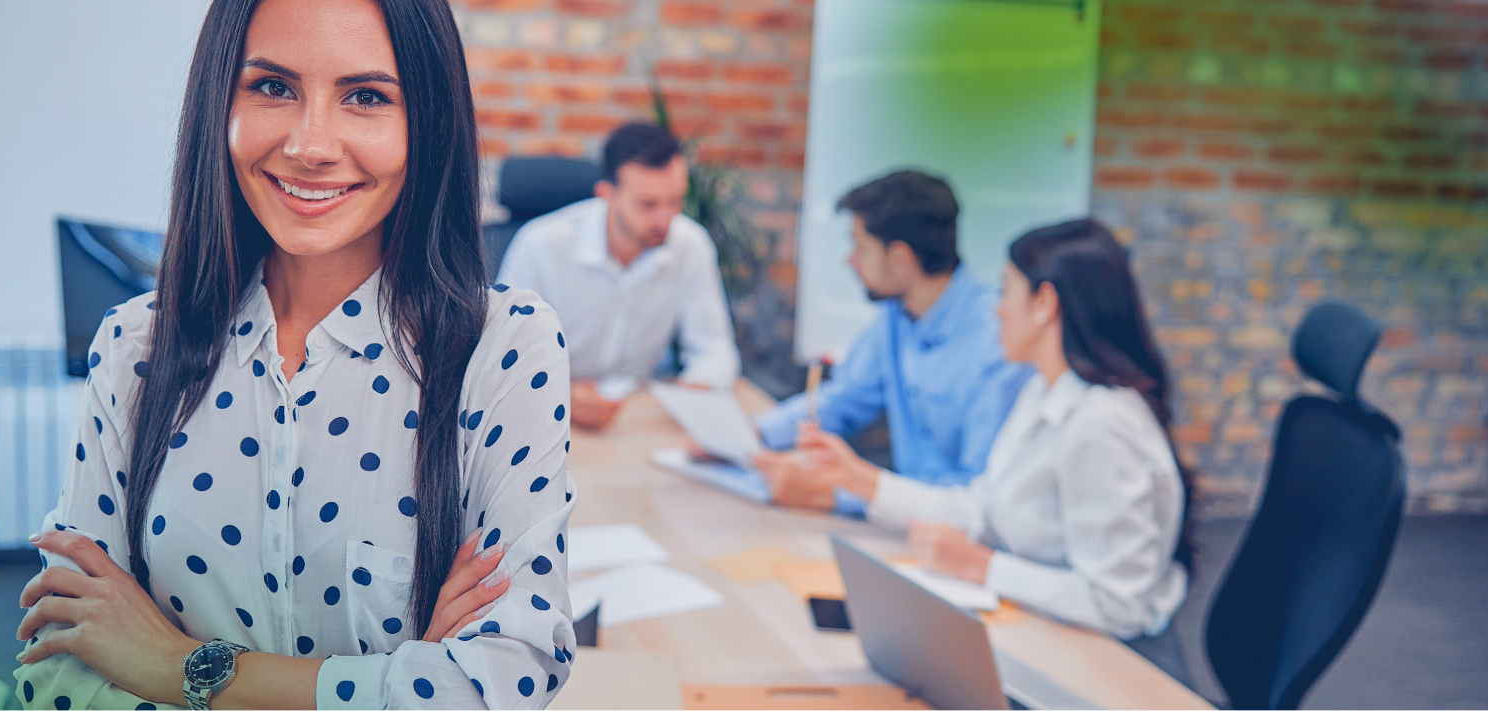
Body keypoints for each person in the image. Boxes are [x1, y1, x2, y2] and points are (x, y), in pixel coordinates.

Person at [12, 0, 576, 708]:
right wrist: (400, 677)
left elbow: (499, 680)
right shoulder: (135, 348)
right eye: (273, 87)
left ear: (427, 121)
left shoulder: (504, 347)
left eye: (367, 96)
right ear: (221, 101)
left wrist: (176, 664)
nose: (311, 145)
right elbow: (56, 672)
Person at [767, 218, 1191, 646]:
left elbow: (1118, 605)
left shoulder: (1104, 424)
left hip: (1114, 662)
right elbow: (982, 510)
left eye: (1007, 290)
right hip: (1048, 632)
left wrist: (982, 567)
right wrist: (857, 477)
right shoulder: (1043, 391)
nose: (997, 309)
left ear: (1045, 302)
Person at [749, 170, 1029, 517]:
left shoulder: (1000, 341)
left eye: (860, 247)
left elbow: (976, 496)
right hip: (901, 524)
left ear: (900, 259)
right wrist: (752, 436)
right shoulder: (896, 317)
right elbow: (845, 399)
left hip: (954, 537)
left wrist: (835, 495)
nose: (849, 261)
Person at [496, 122, 740, 430]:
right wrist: (559, 396)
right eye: (648, 204)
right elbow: (502, 360)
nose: (665, 219)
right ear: (607, 195)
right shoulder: (542, 246)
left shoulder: (690, 245)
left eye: (675, 200)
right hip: (549, 418)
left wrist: (697, 388)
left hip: (639, 417)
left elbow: (714, 348)